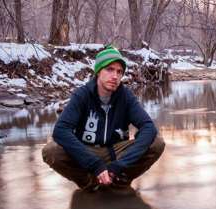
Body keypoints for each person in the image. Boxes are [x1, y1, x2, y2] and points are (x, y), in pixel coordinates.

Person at [42, 45, 165, 191]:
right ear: (98, 72)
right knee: (51, 151)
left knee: (156, 143)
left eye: (119, 72)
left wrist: (121, 165)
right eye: (109, 69)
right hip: (88, 151)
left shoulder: (125, 96)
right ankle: (89, 183)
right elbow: (61, 131)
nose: (115, 76)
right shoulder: (82, 95)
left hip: (116, 151)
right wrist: (95, 165)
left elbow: (148, 127)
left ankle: (120, 181)